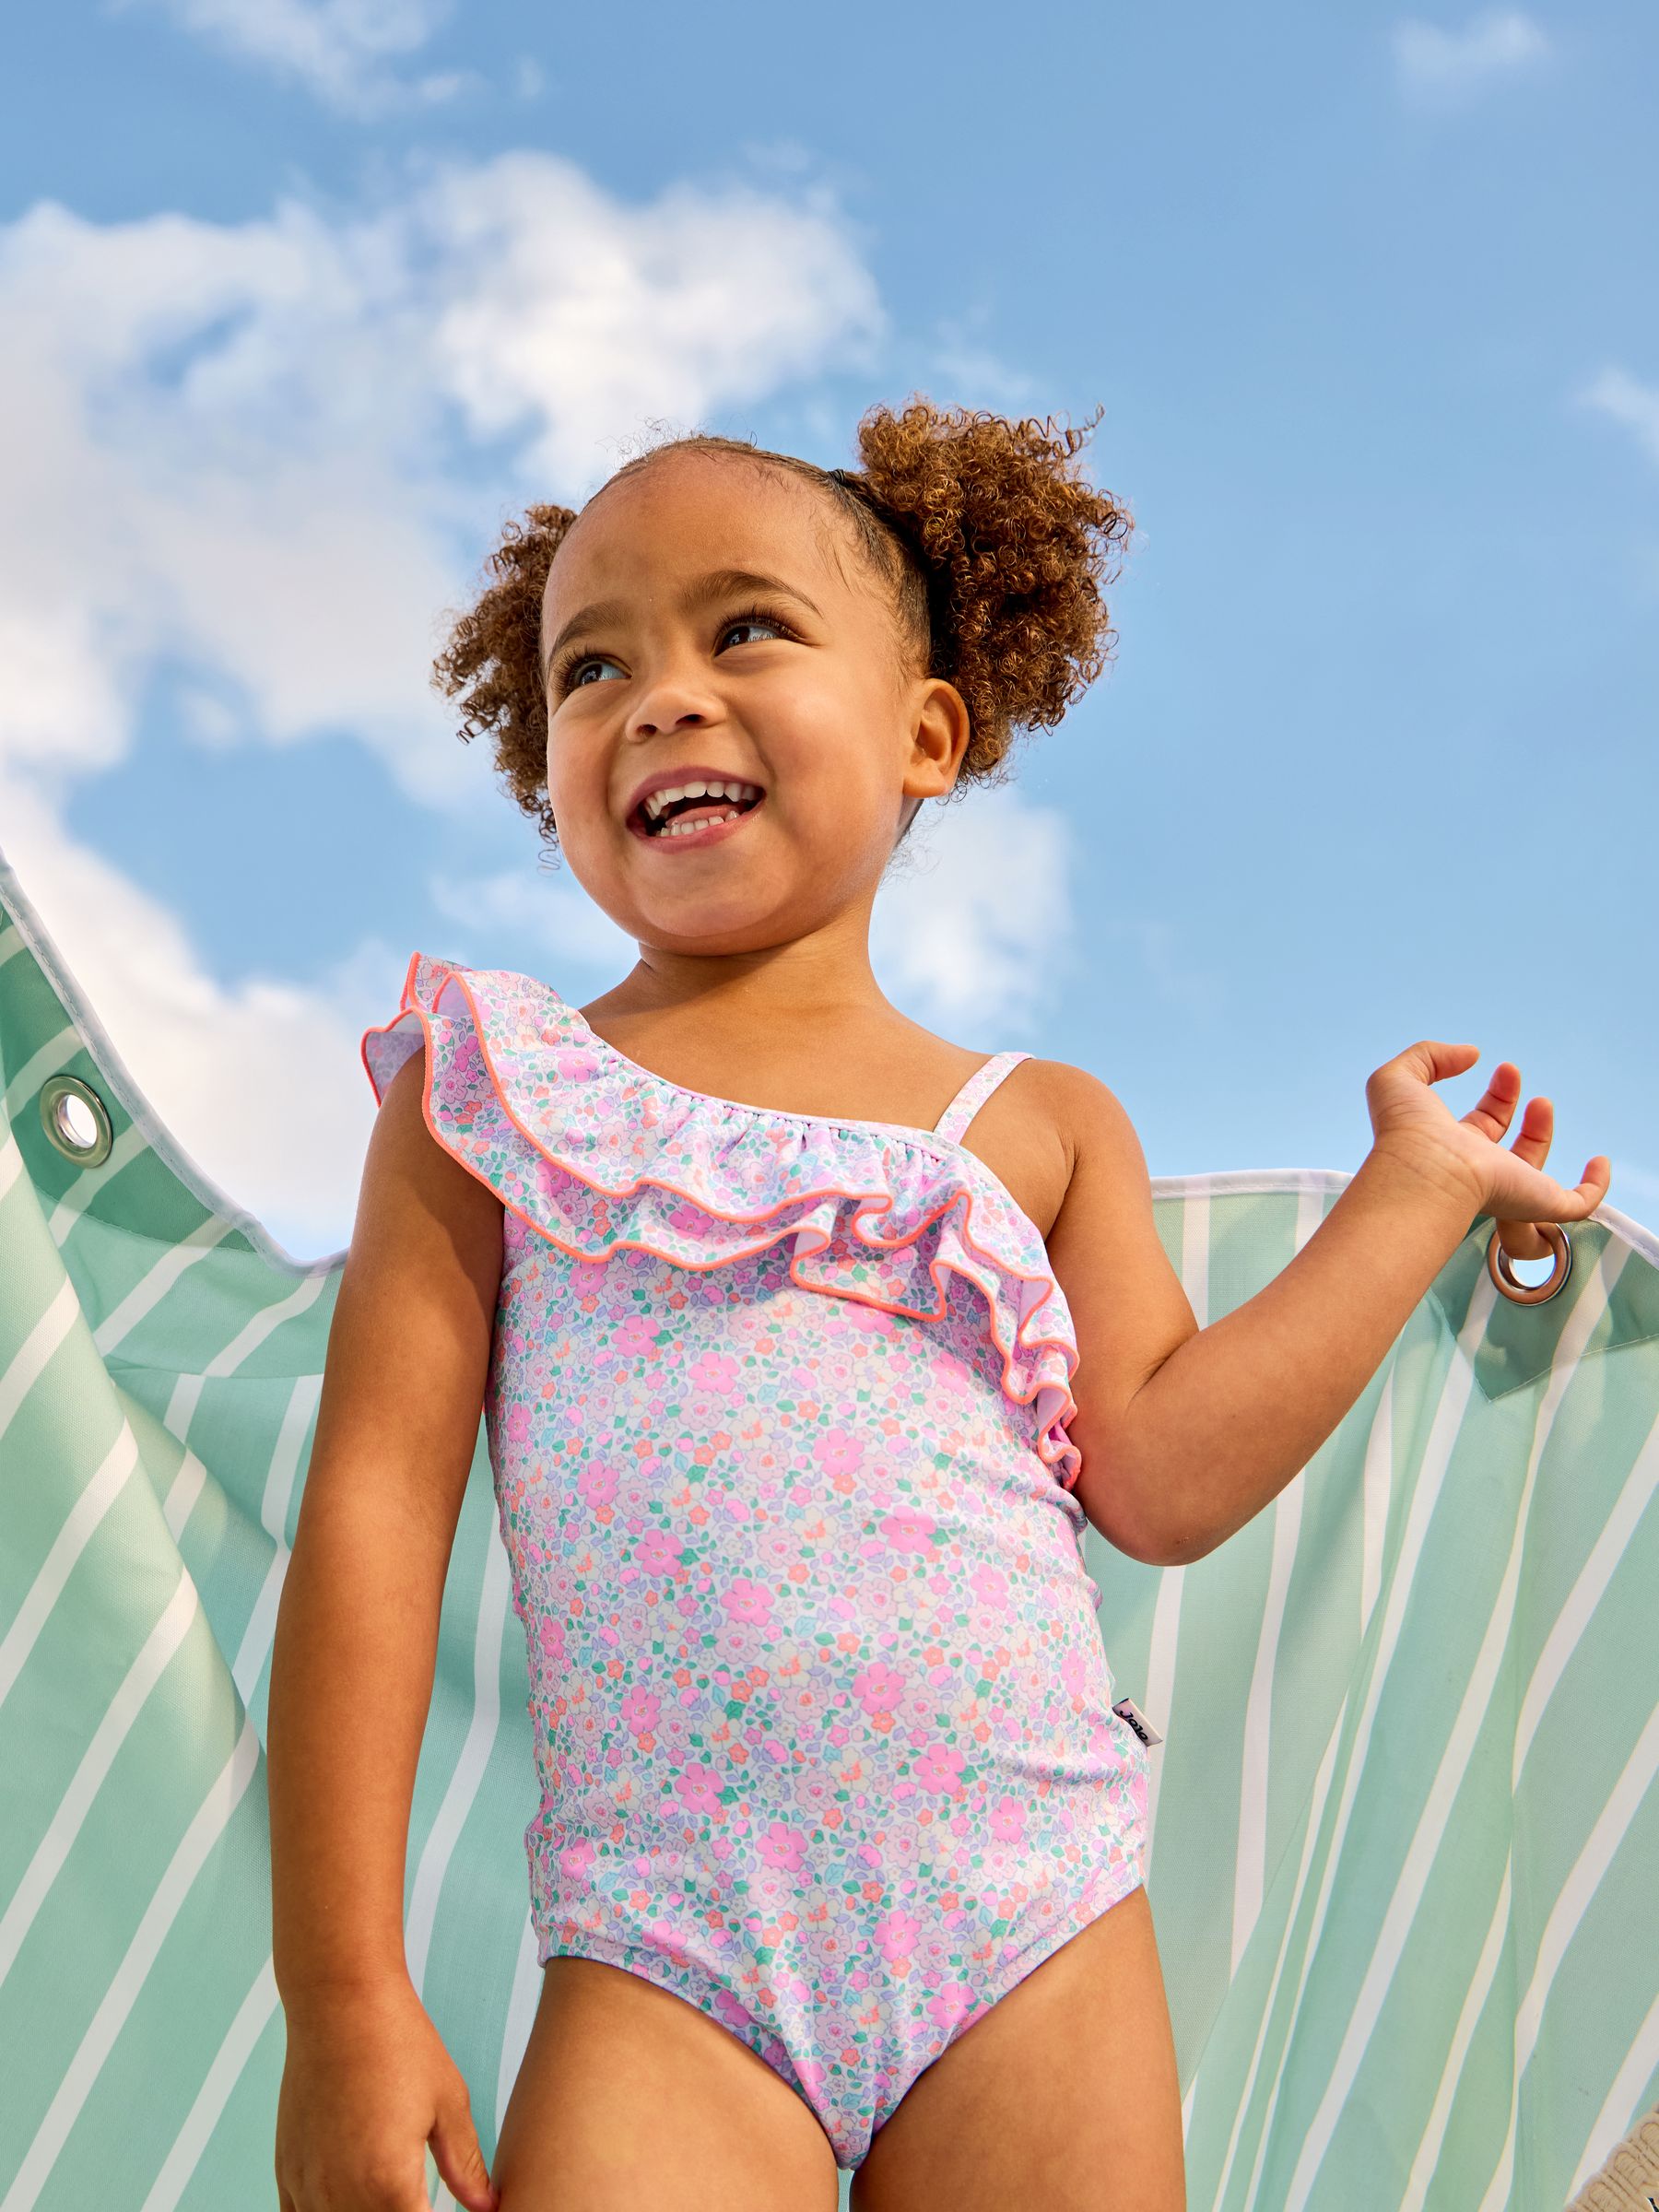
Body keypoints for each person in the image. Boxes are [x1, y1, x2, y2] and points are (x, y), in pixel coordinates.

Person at [266, 399, 1611, 2212]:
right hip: (669, 1949)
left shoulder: (1037, 1124)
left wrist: (1416, 1189)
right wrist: (344, 2000)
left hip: (1028, 1919)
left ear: (925, 734)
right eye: (591, 665)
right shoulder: (489, 1100)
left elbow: (1164, 1477)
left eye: (743, 628)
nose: (659, 692)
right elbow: (366, 1522)